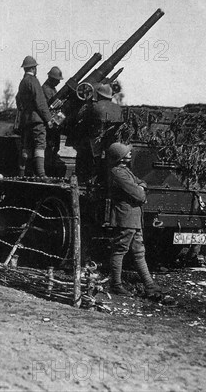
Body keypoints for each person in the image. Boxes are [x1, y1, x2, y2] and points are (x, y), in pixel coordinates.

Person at [107, 142, 166, 299]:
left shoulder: (125, 171)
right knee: (120, 250)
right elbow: (139, 194)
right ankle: (116, 285)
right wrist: (140, 190)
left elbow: (142, 183)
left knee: (139, 252)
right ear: (120, 157)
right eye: (127, 152)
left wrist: (140, 187)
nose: (130, 153)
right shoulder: (117, 173)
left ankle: (149, 285)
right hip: (125, 218)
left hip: (133, 218)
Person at [75, 83, 123, 182]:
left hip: (95, 144)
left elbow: (80, 118)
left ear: (99, 95)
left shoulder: (93, 106)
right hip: (112, 145)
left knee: (82, 153)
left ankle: (83, 180)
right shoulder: (118, 108)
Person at [16, 56, 53, 178]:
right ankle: (41, 174)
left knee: (27, 147)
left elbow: (18, 100)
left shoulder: (22, 82)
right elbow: (40, 102)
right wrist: (48, 119)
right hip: (37, 121)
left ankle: (24, 173)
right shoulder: (33, 81)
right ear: (33, 68)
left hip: (26, 121)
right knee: (40, 145)